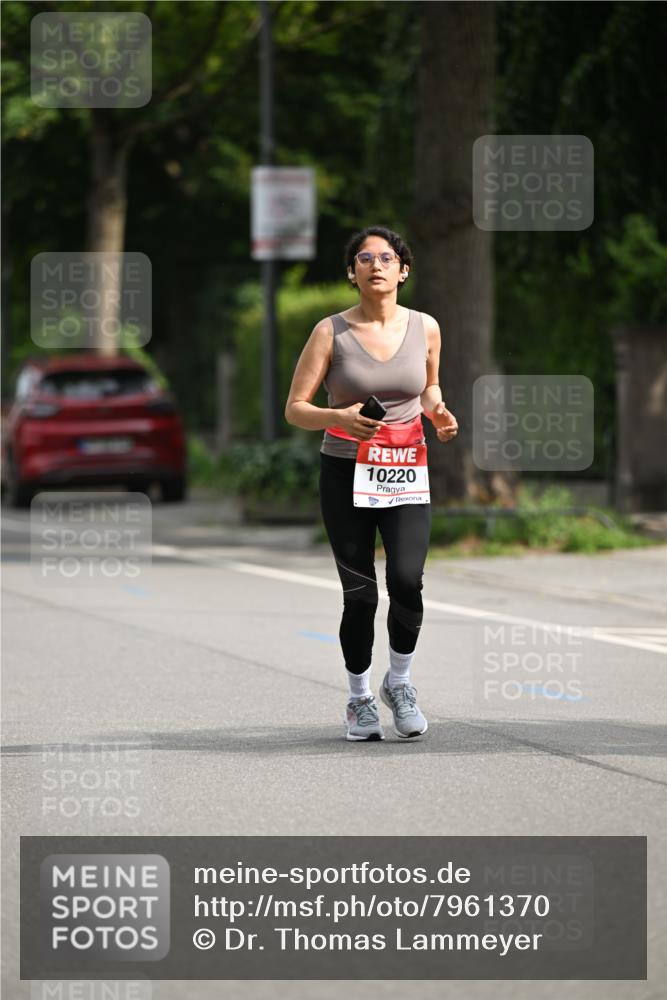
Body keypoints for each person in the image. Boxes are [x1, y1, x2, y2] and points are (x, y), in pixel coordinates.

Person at [285, 226, 458, 741]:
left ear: (403, 271)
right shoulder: (330, 332)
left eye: (386, 258)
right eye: (364, 258)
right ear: (351, 272)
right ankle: (359, 699)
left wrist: (438, 410)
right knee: (360, 594)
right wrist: (337, 417)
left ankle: (398, 684)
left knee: (407, 579)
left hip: (405, 469)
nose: (375, 265)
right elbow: (296, 409)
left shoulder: (426, 327)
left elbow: (428, 386)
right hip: (346, 472)